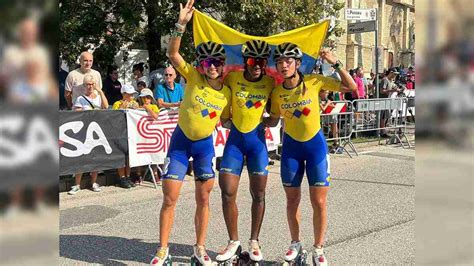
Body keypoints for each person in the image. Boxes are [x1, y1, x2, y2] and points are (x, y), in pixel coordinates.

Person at [149, 1, 231, 265]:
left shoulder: (226, 92)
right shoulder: (193, 77)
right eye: (207, 61)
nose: (212, 66)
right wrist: (181, 25)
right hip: (181, 145)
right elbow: (173, 54)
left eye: (216, 61)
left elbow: (233, 118)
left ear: (222, 64)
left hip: (205, 146)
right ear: (202, 64)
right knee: (170, 197)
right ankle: (163, 249)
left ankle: (200, 247)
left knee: (204, 198)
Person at [264, 43, 356, 265]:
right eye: (280, 62)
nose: (284, 65)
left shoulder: (314, 81)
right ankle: (295, 243)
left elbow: (351, 86)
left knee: (319, 202)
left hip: (315, 148)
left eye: (288, 61)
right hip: (291, 150)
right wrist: (244, 122)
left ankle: (318, 248)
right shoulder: (276, 92)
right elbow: (274, 120)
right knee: (292, 200)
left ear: (297, 63)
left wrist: (335, 62)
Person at [215, 40, 274, 264]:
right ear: (245, 62)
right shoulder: (232, 78)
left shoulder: (270, 82)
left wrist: (270, 120)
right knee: (227, 191)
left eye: (261, 61)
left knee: (258, 194)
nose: (256, 65)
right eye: (252, 60)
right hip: (235, 143)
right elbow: (218, 94)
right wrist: (223, 119)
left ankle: (254, 240)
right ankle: (233, 241)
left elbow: (276, 113)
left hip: (257, 144)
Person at [68, 74, 109, 195]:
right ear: (84, 86)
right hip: (83, 131)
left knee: (95, 156)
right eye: (87, 84)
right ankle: (77, 184)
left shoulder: (98, 96)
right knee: (81, 157)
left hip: (96, 130)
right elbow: (76, 113)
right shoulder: (80, 99)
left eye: (92, 84)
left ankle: (93, 182)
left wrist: (100, 92)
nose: (90, 86)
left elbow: (106, 107)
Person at [112, 84, 139, 188]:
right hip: (120, 132)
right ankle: (121, 177)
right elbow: (113, 116)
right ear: (124, 94)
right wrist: (121, 108)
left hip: (131, 133)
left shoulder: (134, 103)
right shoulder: (117, 103)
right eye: (129, 94)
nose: (132, 97)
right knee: (121, 155)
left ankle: (128, 175)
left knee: (129, 156)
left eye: (132, 94)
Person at [379, 67, 402, 137]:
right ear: (391, 73)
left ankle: (384, 130)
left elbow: (395, 87)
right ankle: (382, 132)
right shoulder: (385, 80)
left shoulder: (391, 81)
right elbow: (382, 91)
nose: (395, 76)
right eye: (394, 74)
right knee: (382, 116)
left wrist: (400, 89)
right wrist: (392, 91)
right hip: (382, 100)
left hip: (388, 100)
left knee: (386, 116)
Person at [319, 89, 342, 154]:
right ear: (321, 93)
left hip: (329, 116)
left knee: (334, 125)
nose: (327, 94)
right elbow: (323, 109)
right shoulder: (318, 99)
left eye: (327, 93)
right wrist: (328, 104)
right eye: (326, 93)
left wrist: (328, 104)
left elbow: (333, 106)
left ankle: (336, 142)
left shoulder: (326, 99)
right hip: (320, 117)